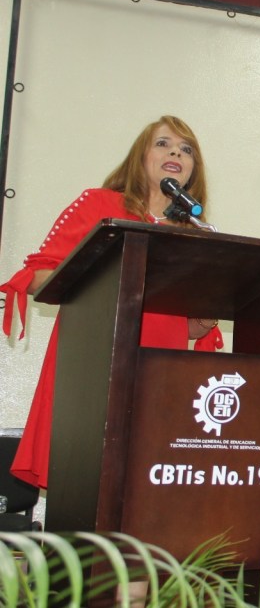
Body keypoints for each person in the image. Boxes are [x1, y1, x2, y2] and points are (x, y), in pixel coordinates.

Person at [1, 115, 223, 489]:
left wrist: (210, 312)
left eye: (186, 150)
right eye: (163, 144)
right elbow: (39, 277)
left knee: (144, 489)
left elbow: (184, 327)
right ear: (140, 156)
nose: (175, 153)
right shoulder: (100, 205)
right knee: (86, 486)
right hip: (94, 364)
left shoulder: (193, 232)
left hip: (161, 375)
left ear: (192, 170)